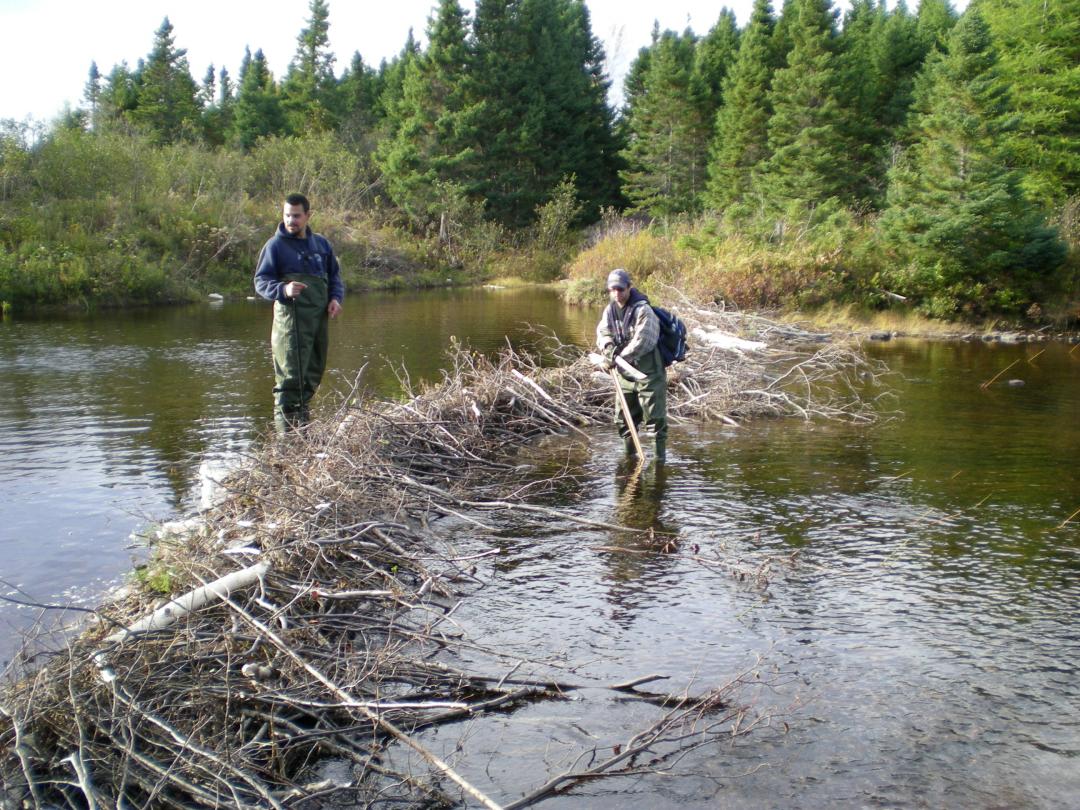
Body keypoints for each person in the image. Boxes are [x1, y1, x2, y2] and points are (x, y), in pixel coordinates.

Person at [254, 193, 344, 432]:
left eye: (296, 215)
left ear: (307, 216)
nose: (290, 220)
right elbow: (261, 282)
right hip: (289, 324)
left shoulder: (322, 245)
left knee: (311, 375)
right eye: (287, 215)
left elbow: (334, 276)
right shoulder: (275, 246)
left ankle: (303, 435)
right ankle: (286, 444)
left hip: (318, 321)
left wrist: (335, 298)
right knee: (289, 380)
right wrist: (283, 288)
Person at [596, 268, 667, 460]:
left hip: (648, 373)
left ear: (629, 287)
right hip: (624, 374)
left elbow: (644, 341)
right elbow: (603, 332)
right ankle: (629, 460)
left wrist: (619, 357)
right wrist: (608, 347)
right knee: (624, 420)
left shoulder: (644, 310)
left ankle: (658, 466)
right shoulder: (610, 310)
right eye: (613, 289)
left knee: (654, 421)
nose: (617, 293)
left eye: (620, 289)